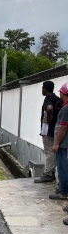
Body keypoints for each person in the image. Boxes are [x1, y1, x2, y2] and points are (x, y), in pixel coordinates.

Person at [34, 81, 62, 183]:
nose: (42, 90)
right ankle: (52, 172)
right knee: (53, 152)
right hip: (57, 129)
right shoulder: (58, 99)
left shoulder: (48, 99)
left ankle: (48, 173)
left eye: (42, 88)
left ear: (44, 89)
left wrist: (48, 119)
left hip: (48, 130)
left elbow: (49, 108)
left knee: (49, 152)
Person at [49, 82, 68, 212]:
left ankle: (63, 190)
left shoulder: (66, 108)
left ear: (63, 93)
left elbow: (62, 127)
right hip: (64, 143)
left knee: (62, 166)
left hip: (63, 144)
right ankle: (63, 187)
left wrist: (56, 143)